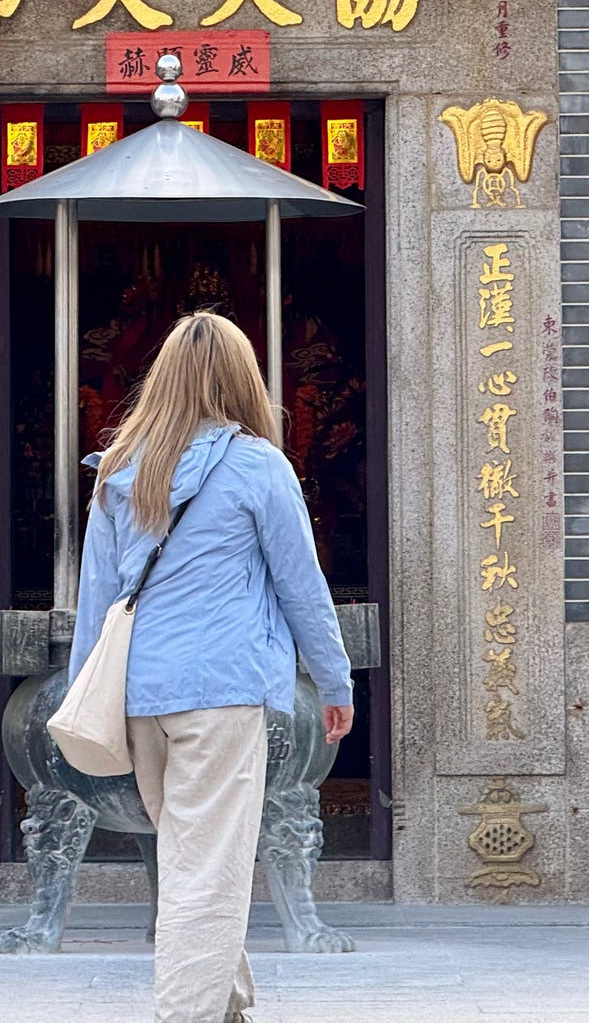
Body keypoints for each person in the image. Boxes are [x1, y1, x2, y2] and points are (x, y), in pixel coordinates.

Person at [70, 311, 355, 1023]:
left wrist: (82, 695)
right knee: (207, 866)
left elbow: (96, 603)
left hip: (140, 698)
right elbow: (302, 586)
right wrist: (334, 680)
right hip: (222, 695)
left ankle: (230, 1007)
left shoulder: (117, 469)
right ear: (243, 379)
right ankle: (186, 1014)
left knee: (193, 856)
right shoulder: (257, 464)